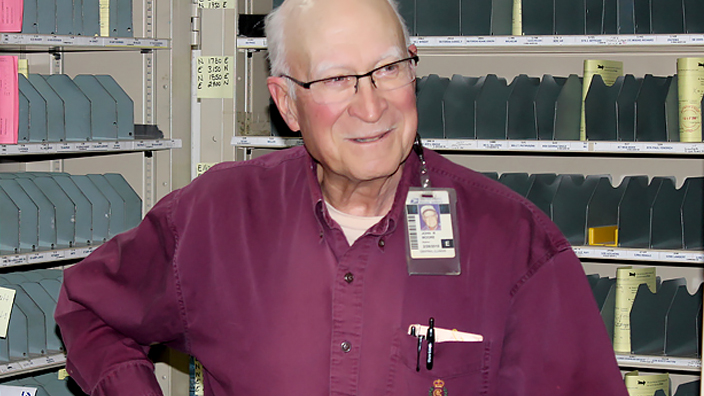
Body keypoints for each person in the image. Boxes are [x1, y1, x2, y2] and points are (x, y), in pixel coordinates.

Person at [55, 0, 629, 394]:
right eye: (336, 80)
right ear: (286, 103)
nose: (372, 106)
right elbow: (90, 310)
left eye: (389, 69)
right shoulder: (214, 220)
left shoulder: (518, 250)